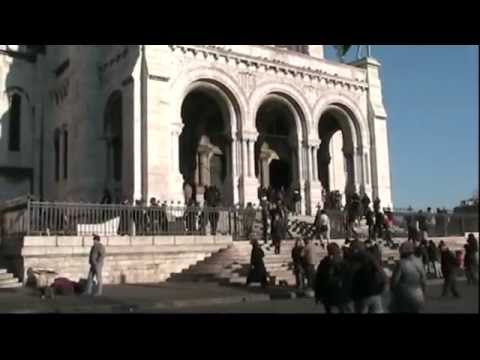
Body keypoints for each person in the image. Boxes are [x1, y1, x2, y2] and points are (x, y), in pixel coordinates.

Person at [347, 241, 387, 314]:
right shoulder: (371, 258)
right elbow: (381, 273)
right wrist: (384, 285)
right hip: (374, 293)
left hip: (361, 295)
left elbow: (350, 276)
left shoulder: (353, 259)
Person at [390, 242, 427, 313]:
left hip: (404, 293)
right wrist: (424, 292)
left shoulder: (401, 263)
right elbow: (424, 279)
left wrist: (392, 290)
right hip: (418, 292)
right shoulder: (419, 261)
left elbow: (395, 280)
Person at [315, 243, 351, 313]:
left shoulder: (324, 263)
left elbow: (318, 280)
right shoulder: (343, 263)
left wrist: (318, 296)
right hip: (340, 293)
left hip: (330, 294)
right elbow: (349, 279)